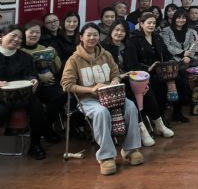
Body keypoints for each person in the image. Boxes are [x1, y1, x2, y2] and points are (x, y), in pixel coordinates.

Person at [61, 23, 143, 175]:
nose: (92, 38)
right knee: (101, 112)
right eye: (89, 35)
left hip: (110, 95)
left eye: (95, 35)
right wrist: (90, 89)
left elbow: (115, 73)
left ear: (99, 37)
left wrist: (115, 80)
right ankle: (106, 156)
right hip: (87, 99)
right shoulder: (74, 60)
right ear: (81, 37)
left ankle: (130, 149)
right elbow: (66, 85)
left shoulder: (106, 55)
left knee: (131, 106)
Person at [101, 19, 169, 148]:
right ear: (111, 31)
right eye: (116, 30)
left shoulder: (129, 45)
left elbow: (136, 65)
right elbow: (104, 70)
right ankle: (141, 130)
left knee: (147, 90)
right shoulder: (103, 47)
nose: (119, 33)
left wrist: (141, 79)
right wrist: (120, 76)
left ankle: (159, 123)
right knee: (131, 95)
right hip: (115, 82)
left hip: (132, 78)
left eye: (123, 31)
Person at [0, 24, 52, 159]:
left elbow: (31, 74)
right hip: (1, 97)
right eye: (13, 36)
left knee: (37, 109)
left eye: (20, 37)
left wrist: (34, 80)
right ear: (1, 37)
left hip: (22, 95)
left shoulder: (25, 57)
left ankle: (35, 145)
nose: (17, 39)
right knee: (2, 111)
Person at [127, 12, 189, 124]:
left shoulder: (157, 37)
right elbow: (134, 62)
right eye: (149, 23)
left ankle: (177, 112)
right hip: (146, 73)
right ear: (141, 24)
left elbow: (166, 54)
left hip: (161, 69)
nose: (151, 25)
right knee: (160, 84)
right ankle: (159, 117)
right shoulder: (134, 39)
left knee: (180, 79)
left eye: (154, 23)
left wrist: (171, 61)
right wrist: (149, 68)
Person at [20, 20, 67, 141]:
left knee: (62, 94)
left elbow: (56, 68)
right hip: (30, 88)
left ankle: (46, 127)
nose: (34, 35)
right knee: (37, 106)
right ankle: (46, 130)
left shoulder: (43, 48)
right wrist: (39, 78)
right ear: (24, 33)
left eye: (37, 32)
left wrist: (54, 55)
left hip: (48, 85)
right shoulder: (20, 50)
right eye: (31, 32)